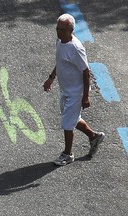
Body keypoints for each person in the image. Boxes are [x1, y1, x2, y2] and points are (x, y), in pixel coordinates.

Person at [43, 14, 105, 166]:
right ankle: (93, 136)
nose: (58, 32)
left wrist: (85, 96)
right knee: (71, 118)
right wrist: (51, 78)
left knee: (67, 123)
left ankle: (67, 154)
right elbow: (60, 62)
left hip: (76, 92)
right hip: (65, 90)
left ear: (70, 30)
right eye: (57, 28)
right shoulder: (60, 41)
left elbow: (85, 71)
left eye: (62, 29)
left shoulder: (75, 48)